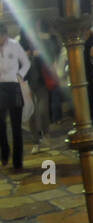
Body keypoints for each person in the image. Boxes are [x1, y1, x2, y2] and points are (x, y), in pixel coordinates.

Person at [0, 23, 31, 171]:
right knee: (1, 125)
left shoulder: (14, 45)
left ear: (5, 35)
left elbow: (26, 62)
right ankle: (4, 152)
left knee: (16, 126)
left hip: (14, 86)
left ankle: (18, 161)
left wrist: (19, 75)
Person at [21, 33, 52, 152]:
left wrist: (40, 55)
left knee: (43, 110)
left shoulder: (41, 45)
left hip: (41, 84)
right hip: (28, 86)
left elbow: (49, 57)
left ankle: (46, 135)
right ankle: (36, 141)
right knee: (32, 115)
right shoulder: (21, 50)